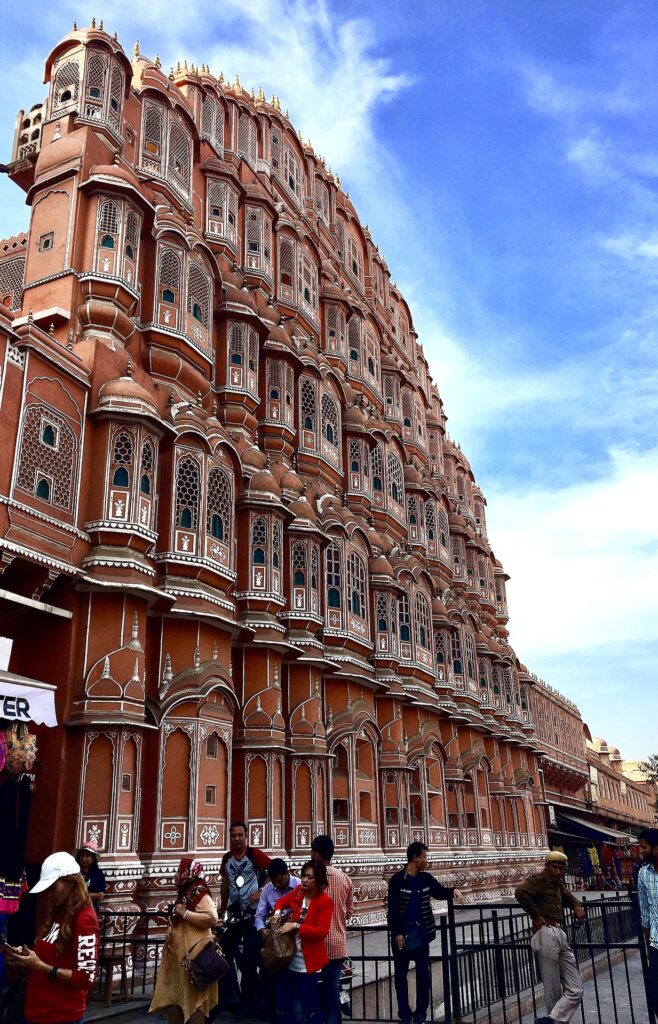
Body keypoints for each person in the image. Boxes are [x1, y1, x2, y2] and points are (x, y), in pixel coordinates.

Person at [4, 850, 99, 1024]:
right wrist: (24, 959)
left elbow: (86, 978)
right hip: (36, 1012)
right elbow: (49, 958)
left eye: (53, 887)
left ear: (72, 882)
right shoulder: (58, 913)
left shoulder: (84, 919)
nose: (50, 894)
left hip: (60, 1016)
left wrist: (41, 967)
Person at [387, 841, 462, 1024]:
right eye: (425, 857)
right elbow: (393, 910)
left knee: (423, 976)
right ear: (415, 858)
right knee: (400, 977)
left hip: (421, 934)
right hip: (402, 936)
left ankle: (420, 1013)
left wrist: (453, 891)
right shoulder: (397, 880)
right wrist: (397, 932)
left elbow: (439, 892)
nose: (427, 860)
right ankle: (405, 1014)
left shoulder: (425, 878)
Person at [515, 850, 586, 1024]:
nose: (558, 872)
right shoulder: (539, 881)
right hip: (546, 931)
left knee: (576, 989)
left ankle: (552, 1019)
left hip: (559, 931)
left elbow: (568, 897)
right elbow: (521, 892)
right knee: (552, 985)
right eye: (555, 868)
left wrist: (577, 906)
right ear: (547, 866)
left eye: (561, 869)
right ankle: (555, 1020)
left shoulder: (558, 884)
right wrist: (536, 915)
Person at [150, 857, 219, 1024]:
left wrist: (185, 914)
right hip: (180, 960)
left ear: (189, 874)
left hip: (195, 960)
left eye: (179, 871)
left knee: (195, 1001)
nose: (176, 875)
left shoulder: (199, 893)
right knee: (177, 998)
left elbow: (212, 918)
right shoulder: (185, 894)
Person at [218, 820, 271, 1017]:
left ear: (246, 836)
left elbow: (274, 871)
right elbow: (225, 883)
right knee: (224, 951)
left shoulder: (253, 854)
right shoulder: (227, 858)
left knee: (250, 956)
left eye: (240, 835)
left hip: (253, 914)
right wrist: (222, 908)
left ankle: (248, 1003)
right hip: (234, 913)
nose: (237, 839)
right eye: (233, 835)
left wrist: (261, 891)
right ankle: (230, 996)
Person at [272, 859, 333, 1024]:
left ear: (319, 881)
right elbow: (281, 901)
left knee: (308, 1008)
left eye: (310, 877)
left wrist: (296, 926)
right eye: (304, 876)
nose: (305, 880)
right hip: (289, 959)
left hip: (308, 964)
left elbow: (321, 932)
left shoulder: (324, 901)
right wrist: (277, 913)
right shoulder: (299, 892)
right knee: (284, 1005)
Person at [310, 834, 354, 1024]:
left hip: (315, 945)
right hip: (337, 945)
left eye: (312, 851)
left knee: (312, 988)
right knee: (332, 988)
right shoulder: (345, 879)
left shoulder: (311, 880)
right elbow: (349, 912)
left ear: (317, 855)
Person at [255, 859, 301, 1020]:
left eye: (280, 881)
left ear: (287, 873)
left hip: (297, 940)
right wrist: (262, 930)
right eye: (274, 882)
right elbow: (260, 915)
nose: (277, 885)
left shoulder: (299, 886)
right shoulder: (268, 889)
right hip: (277, 942)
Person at [638, 827, 658, 1017]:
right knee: (655, 996)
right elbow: (645, 913)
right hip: (656, 945)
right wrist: (648, 947)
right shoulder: (644, 873)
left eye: (644, 847)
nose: (640, 851)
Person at [76, 840, 107, 908]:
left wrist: (79, 896)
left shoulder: (98, 874)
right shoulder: (74, 873)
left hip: (90, 908)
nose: (83, 859)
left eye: (87, 856)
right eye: (82, 855)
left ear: (93, 859)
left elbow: (100, 895)